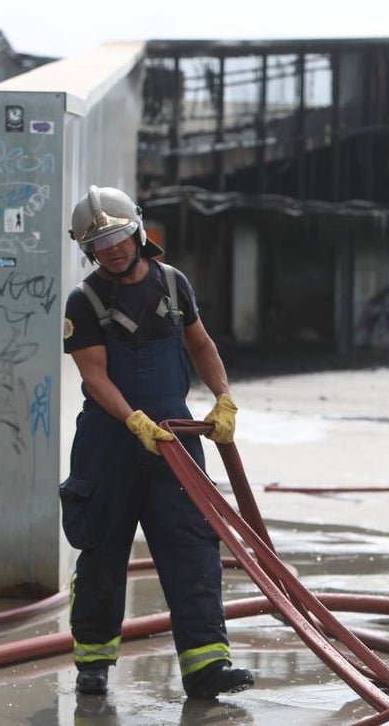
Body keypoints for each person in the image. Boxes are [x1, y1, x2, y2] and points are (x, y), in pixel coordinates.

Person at [59, 185, 254, 700]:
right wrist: (135, 422)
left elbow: (201, 344)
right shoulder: (84, 301)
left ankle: (206, 667)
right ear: (88, 250)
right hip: (110, 445)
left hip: (176, 444)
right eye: (101, 244)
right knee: (101, 554)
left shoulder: (173, 283)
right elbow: (95, 378)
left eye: (121, 236)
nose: (114, 249)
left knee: (192, 549)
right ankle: (94, 664)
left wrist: (224, 398)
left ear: (138, 231)